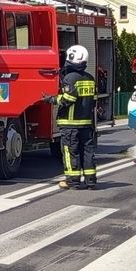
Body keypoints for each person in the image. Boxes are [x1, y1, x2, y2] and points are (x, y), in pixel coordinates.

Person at [50, 45, 97, 189]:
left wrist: (51, 99)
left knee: (70, 152)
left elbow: (67, 100)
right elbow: (94, 101)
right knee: (88, 152)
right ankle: (90, 180)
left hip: (70, 125)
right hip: (86, 124)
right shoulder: (90, 78)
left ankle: (72, 181)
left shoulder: (70, 78)